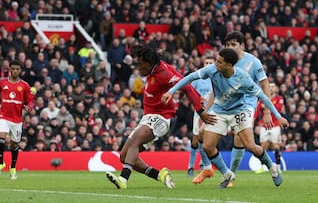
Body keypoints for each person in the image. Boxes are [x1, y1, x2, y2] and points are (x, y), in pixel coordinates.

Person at [162, 48, 289, 188]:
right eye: (216, 60)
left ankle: (272, 167)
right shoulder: (212, 70)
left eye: (219, 62)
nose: (216, 64)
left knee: (251, 146)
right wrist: (171, 91)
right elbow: (190, 77)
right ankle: (227, 174)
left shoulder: (243, 78)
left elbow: (263, 97)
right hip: (219, 110)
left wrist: (278, 116)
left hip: (239, 112)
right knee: (207, 146)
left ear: (229, 65)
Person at [105, 41, 216, 189]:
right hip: (148, 116)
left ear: (149, 62)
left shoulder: (163, 74)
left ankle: (123, 180)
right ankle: (160, 175)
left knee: (135, 141)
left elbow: (186, 86)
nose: (139, 68)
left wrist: (200, 110)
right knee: (124, 156)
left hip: (162, 117)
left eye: (141, 64)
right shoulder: (158, 67)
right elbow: (182, 78)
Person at [224, 31, 274, 187]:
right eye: (228, 45)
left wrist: (267, 111)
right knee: (208, 137)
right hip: (227, 104)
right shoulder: (224, 61)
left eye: (234, 44)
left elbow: (265, 84)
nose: (230, 47)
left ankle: (230, 176)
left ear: (242, 45)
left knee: (240, 137)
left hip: (248, 104)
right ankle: (206, 168)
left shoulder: (253, 62)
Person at [0, 60, 34, 180]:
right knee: (0, 136)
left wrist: (29, 107)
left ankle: (13, 167)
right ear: (9, 69)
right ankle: (0, 163)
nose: (15, 71)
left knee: (14, 144)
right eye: (13, 68)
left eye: (17, 69)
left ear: (20, 70)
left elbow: (30, 100)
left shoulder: (24, 85)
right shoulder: (1, 83)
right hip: (3, 115)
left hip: (17, 119)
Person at [187, 56, 215, 184]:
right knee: (196, 139)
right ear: (203, 64)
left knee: (209, 139)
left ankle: (205, 164)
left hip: (213, 112)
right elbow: (190, 94)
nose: (208, 64)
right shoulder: (198, 78)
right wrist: (198, 100)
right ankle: (191, 166)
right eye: (206, 62)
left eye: (211, 62)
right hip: (199, 112)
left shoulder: (216, 78)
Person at [255, 82, 284, 173]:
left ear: (276, 89)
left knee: (275, 146)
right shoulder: (262, 98)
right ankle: (262, 167)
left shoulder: (279, 99)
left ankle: (278, 166)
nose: (271, 88)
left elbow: (278, 109)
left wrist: (266, 106)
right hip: (264, 125)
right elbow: (257, 112)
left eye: (272, 86)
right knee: (263, 146)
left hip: (275, 126)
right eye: (269, 86)